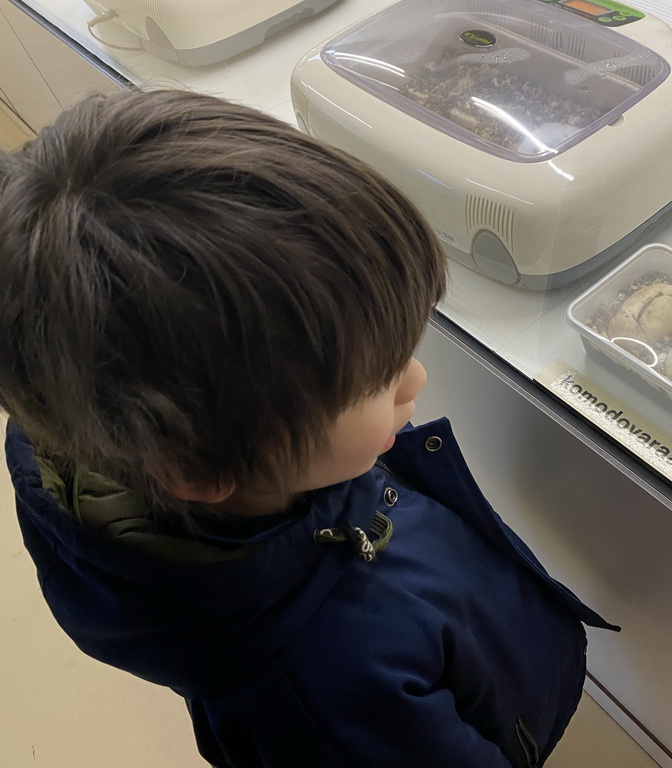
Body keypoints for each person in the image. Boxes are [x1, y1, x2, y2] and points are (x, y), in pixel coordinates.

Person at [0, 88, 615, 768]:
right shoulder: (323, 695)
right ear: (201, 469)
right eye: (374, 382)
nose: (415, 381)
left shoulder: (92, 419)